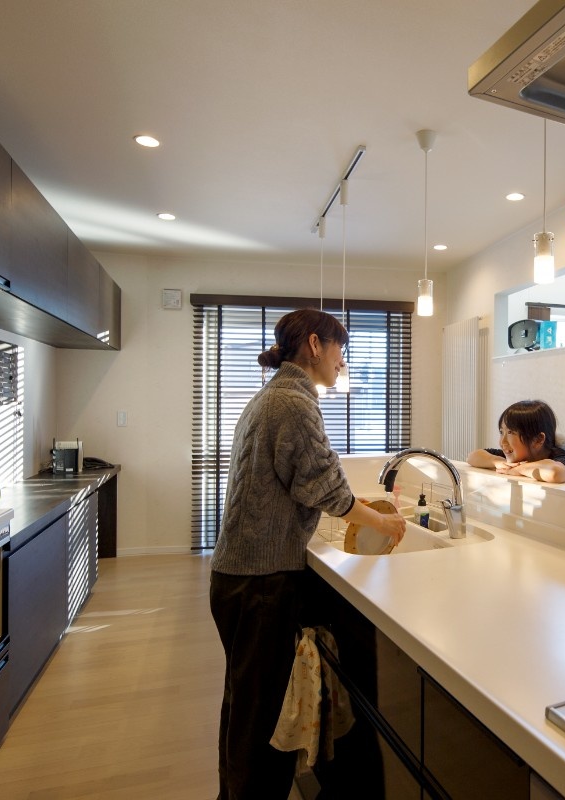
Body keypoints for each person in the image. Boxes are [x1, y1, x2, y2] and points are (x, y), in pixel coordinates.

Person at [209, 308, 405, 799]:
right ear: (315, 345)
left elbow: (303, 481)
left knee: (244, 707)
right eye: (340, 349)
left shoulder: (273, 396)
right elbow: (326, 488)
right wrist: (384, 522)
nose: (343, 361)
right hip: (261, 581)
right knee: (261, 718)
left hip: (240, 574)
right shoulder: (294, 404)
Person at [467, 399, 565, 485]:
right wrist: (497, 462)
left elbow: (555, 473)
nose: (503, 442)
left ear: (538, 440)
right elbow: (473, 456)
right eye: (501, 432)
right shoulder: (515, 456)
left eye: (511, 432)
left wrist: (518, 469)